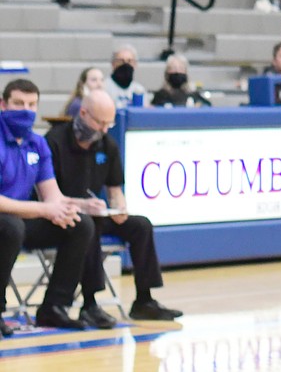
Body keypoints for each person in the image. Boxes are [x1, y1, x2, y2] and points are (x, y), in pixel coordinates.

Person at [45, 89, 183, 323]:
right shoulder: (54, 141)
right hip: (62, 216)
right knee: (89, 224)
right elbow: (48, 195)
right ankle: (90, 303)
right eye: (100, 123)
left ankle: (144, 300)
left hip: (94, 213)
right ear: (84, 113)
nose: (104, 129)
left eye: (109, 123)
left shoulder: (107, 145)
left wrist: (120, 209)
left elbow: (115, 190)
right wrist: (82, 205)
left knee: (140, 225)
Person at [0, 79, 96, 334]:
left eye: (32, 105)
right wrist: (45, 210)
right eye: (18, 103)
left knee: (80, 223)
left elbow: (52, 195)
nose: (26, 110)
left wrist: (77, 205)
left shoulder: (37, 143)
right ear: (3, 105)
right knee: (11, 227)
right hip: (5, 220)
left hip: (22, 219)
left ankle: (55, 307)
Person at [105, 45, 148, 110]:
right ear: (113, 64)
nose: (125, 64)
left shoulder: (139, 90)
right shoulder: (104, 87)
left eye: (129, 61)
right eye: (121, 61)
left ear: (135, 64)